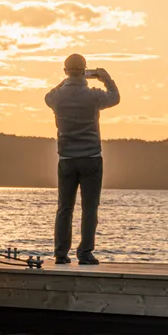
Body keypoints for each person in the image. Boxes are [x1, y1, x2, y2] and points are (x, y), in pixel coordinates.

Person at [45, 54, 120, 265]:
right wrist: (106, 78)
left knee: (64, 208)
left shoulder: (58, 97)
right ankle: (85, 253)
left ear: (65, 71)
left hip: (67, 159)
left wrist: (67, 81)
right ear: (85, 70)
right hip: (91, 157)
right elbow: (115, 97)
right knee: (89, 209)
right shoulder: (93, 95)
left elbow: (48, 97)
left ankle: (61, 254)